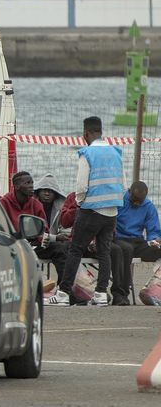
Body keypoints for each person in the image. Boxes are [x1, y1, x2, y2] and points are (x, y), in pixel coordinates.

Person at [48, 117, 126, 307]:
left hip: (90, 210)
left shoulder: (87, 153)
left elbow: (81, 185)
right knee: (104, 252)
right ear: (101, 131)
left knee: (75, 249)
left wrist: (81, 203)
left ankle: (63, 293)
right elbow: (123, 184)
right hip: (111, 212)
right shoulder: (116, 152)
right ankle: (100, 294)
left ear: (86, 134)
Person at [0, 172, 67, 284]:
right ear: (16, 186)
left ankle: (65, 288)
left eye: (32, 183)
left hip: (34, 246)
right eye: (27, 183)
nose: (31, 186)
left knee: (60, 249)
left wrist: (45, 239)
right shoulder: (4, 203)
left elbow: (43, 231)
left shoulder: (36, 205)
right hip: (12, 246)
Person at [112, 182, 161, 305]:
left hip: (138, 241)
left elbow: (153, 230)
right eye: (134, 200)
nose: (137, 203)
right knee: (126, 249)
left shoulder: (148, 206)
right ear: (129, 192)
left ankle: (153, 288)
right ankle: (121, 294)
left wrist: (155, 240)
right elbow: (110, 222)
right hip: (119, 239)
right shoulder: (119, 201)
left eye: (140, 201)